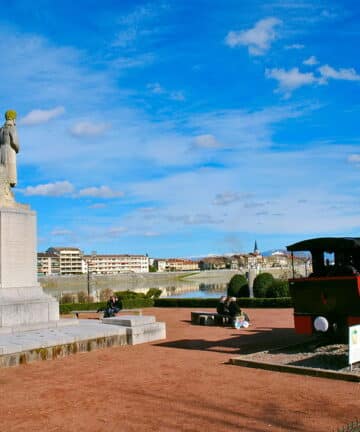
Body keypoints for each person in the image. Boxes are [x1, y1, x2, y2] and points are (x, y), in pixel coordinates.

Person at [0, 110, 19, 187]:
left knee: (3, 165)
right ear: (13, 118)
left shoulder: (1, 129)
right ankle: (10, 181)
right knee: (10, 166)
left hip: (1, 150)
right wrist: (17, 148)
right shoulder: (12, 128)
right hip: (10, 149)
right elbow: (14, 141)